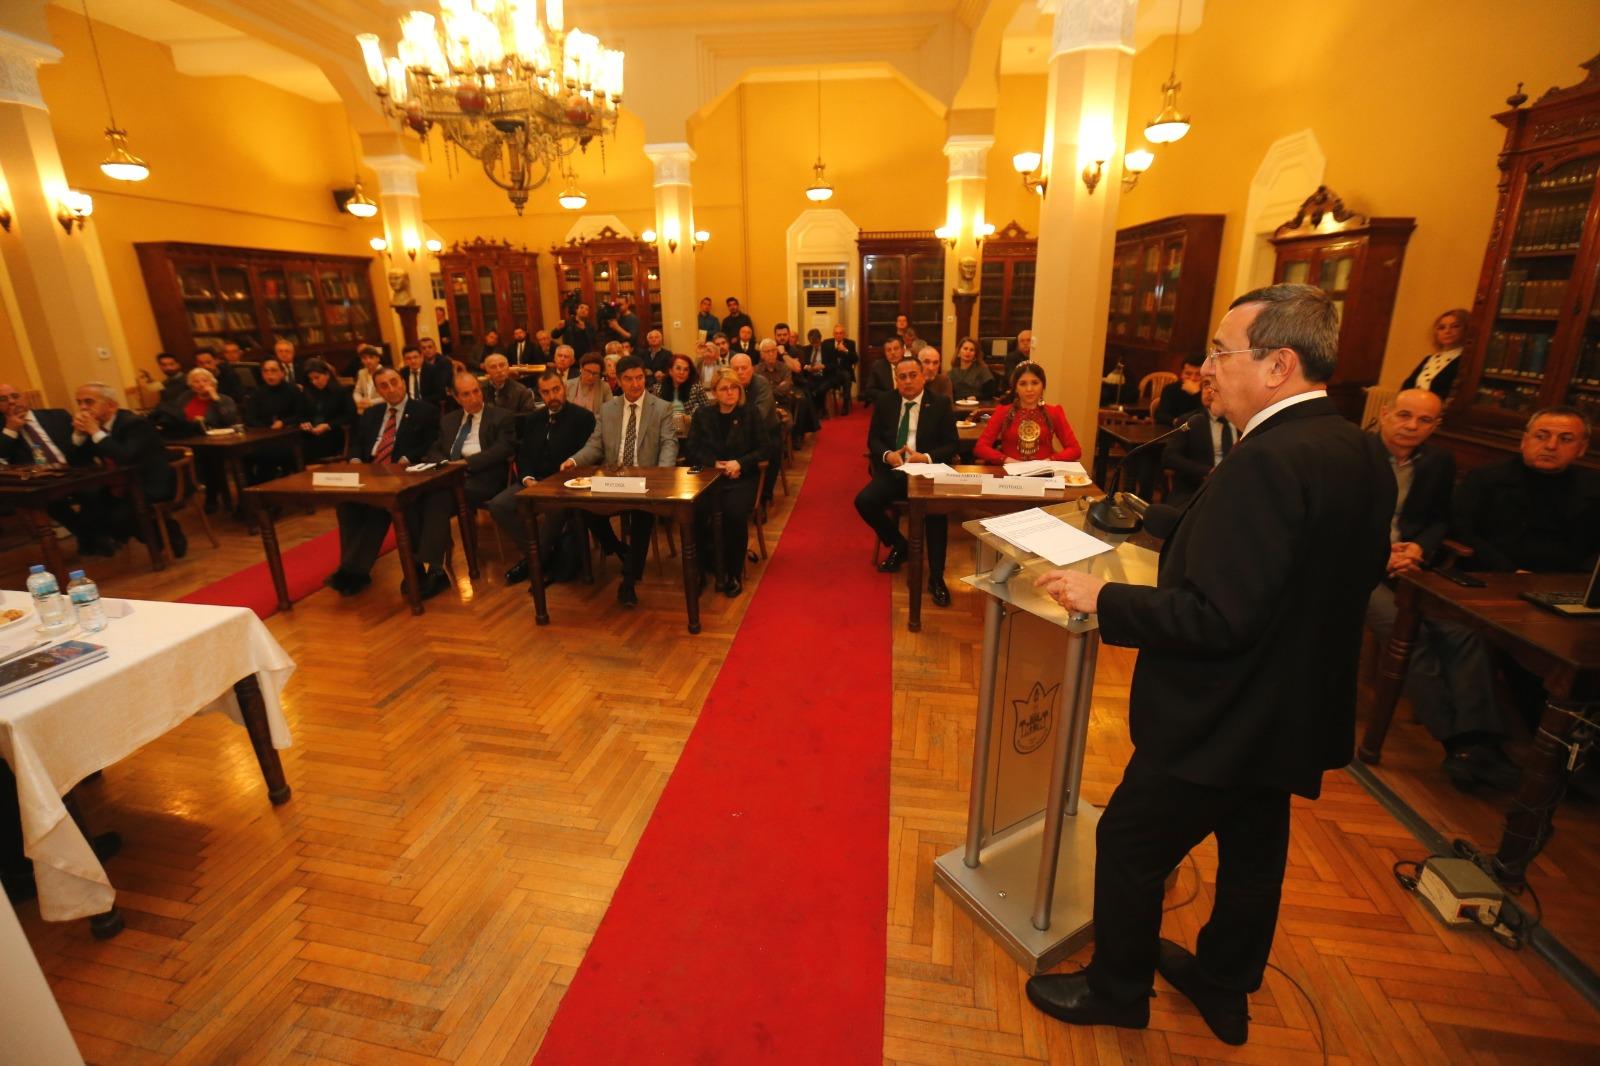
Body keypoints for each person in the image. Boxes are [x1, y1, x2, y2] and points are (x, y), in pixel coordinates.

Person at [1025, 284, 1393, 1047]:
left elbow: (1219, 616)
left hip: (1223, 713)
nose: (1207, 368)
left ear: (1279, 365)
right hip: (1294, 706)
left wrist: (1103, 598)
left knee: (1130, 844)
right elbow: (1287, 566)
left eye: (1223, 352)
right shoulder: (1354, 445)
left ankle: (1117, 989)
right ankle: (1224, 984)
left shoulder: (1266, 460)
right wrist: (1157, 521)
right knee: (1254, 853)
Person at [1363, 390, 1517, 792]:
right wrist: (1379, 554)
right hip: (1355, 569)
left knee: (1462, 632)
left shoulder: (1438, 461)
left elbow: (1438, 520)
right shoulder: (1353, 453)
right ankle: (1457, 742)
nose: (1411, 426)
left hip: (1411, 566)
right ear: (1385, 414)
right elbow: (1331, 519)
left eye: (1424, 420)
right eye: (1404, 415)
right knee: (1406, 631)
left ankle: (1479, 738)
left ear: (1436, 426)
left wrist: (1419, 547)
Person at [561, 356, 678, 606]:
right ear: (618, 381)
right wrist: (573, 460)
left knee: (642, 518)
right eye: (629, 379)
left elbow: (669, 444)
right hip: (613, 477)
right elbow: (595, 445)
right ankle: (617, 547)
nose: (635, 384)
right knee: (583, 508)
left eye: (639, 378)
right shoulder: (608, 409)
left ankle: (628, 581)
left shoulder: (662, 408)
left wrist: (662, 475)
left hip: (645, 480)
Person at [324, 367, 440, 597]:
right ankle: (353, 569)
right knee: (347, 505)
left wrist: (407, 458)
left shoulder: (425, 411)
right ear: (378, 390)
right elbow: (357, 443)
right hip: (369, 474)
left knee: (380, 509)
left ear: (403, 382)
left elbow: (432, 443)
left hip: (401, 477)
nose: (391, 389)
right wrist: (355, 461)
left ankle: (352, 573)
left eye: (394, 382)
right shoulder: (371, 414)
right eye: (384, 386)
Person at [855, 357, 960, 607]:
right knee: (864, 501)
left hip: (926, 473)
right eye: (902, 377)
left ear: (923, 377)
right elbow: (874, 439)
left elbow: (952, 444)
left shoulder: (939, 403)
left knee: (935, 514)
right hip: (896, 471)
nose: (908, 381)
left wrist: (926, 457)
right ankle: (900, 544)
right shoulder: (886, 401)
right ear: (896, 380)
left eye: (913, 375)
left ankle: (936, 578)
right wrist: (887, 455)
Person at [1452, 406, 1600, 574]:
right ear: (1524, 441)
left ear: (1582, 448)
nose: (1551, 446)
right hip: (1495, 574)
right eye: (1541, 436)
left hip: (1566, 580)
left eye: (1565, 439)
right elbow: (1462, 530)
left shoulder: (1594, 488)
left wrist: (1581, 578)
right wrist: (1510, 570)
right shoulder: (1487, 478)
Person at [491, 371, 596, 586]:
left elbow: (586, 458)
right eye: (546, 392)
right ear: (540, 394)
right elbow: (524, 456)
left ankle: (534, 562)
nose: (552, 396)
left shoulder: (583, 418)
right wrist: (527, 479)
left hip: (564, 485)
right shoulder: (533, 419)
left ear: (564, 388)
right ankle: (541, 555)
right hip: (534, 481)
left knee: (555, 509)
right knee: (499, 505)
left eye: (556, 390)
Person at [66, 382, 187, 557]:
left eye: (89, 402)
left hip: (150, 482)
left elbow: (125, 456)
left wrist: (95, 433)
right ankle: (100, 544)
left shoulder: (134, 424)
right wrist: (78, 435)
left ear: (111, 405)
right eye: (79, 403)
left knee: (120, 515)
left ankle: (170, 536)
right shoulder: (94, 428)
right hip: (119, 483)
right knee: (90, 506)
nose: (83, 408)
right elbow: (74, 462)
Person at [686, 370, 767, 597]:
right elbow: (692, 449)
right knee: (694, 512)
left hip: (741, 478)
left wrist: (739, 463)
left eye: (734, 388)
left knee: (733, 513)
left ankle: (733, 572)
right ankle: (701, 568)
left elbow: (765, 448)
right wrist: (713, 463)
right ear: (714, 392)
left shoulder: (750, 413)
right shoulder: (703, 414)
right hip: (710, 478)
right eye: (724, 388)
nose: (730, 392)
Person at [973, 361, 1082, 465]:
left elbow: (1075, 450)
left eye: (1035, 383)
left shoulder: (1054, 412)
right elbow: (980, 447)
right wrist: (1007, 460)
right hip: (1011, 472)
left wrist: (1049, 461)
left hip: (1044, 472)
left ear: (1043, 386)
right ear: (1015, 388)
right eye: (1023, 384)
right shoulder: (1003, 412)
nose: (1029, 389)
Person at [1160, 377, 1231, 506]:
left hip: (1232, 488)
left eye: (1215, 386)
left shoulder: (1241, 421)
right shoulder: (1189, 421)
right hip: (1196, 489)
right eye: (1205, 385)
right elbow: (1169, 457)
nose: (1209, 391)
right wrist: (1206, 471)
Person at [244, 357, 307, 481]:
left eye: (273, 370)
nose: (269, 375)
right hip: (264, 436)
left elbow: (302, 414)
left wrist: (283, 422)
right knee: (246, 456)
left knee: (272, 453)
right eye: (266, 371)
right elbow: (250, 418)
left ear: (282, 373)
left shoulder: (293, 390)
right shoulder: (257, 393)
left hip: (288, 435)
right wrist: (266, 428)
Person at [1399, 308, 1470, 399]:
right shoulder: (1429, 358)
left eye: (1455, 326)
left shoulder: (1466, 360)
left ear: (1466, 329)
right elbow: (1408, 385)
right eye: (1442, 328)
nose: (1447, 331)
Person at [298, 357, 356, 463]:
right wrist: (304, 423)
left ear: (327, 375)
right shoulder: (307, 392)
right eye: (311, 379)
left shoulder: (341, 391)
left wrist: (328, 425)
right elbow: (301, 414)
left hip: (333, 431)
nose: (314, 382)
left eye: (317, 377)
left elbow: (350, 415)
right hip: (310, 433)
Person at [656, 352, 708, 438]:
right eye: (678, 368)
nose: (682, 372)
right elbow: (655, 415)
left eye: (686, 370)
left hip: (692, 433)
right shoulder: (659, 389)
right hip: (666, 434)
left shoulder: (696, 387)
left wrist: (691, 417)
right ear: (670, 371)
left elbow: (707, 410)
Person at [1154, 352, 1207, 425]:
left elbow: (1208, 416)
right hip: (1173, 429)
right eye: (1188, 374)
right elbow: (1161, 415)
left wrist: (1196, 394)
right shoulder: (1170, 389)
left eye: (1198, 374)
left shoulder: (1209, 391)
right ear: (1181, 374)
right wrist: (1178, 422)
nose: (1192, 378)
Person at [822, 324, 860, 414]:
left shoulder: (850, 343)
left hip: (845, 371)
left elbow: (855, 359)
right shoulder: (827, 343)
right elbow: (824, 360)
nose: (838, 335)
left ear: (844, 334)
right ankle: (822, 407)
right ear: (833, 334)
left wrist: (845, 350)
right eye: (836, 333)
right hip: (831, 372)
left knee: (846, 377)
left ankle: (845, 405)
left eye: (840, 333)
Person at [861, 336, 905, 409]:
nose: (892, 352)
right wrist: (888, 396)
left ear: (903, 350)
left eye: (896, 349)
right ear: (885, 353)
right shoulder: (878, 366)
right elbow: (869, 390)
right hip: (887, 403)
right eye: (888, 350)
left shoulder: (912, 364)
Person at [947, 337, 995, 403]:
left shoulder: (982, 370)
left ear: (975, 355)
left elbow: (990, 393)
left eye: (971, 350)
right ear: (959, 352)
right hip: (957, 405)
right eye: (965, 349)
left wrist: (977, 398)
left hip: (978, 404)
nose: (968, 352)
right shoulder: (952, 372)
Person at [567, 353, 609, 417]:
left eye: (595, 373)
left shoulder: (604, 387)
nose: (591, 376)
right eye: (588, 371)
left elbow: (610, 410)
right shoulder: (568, 385)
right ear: (581, 368)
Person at [352, 345, 386, 413]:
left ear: (378, 359)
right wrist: (360, 401)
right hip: (365, 409)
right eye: (364, 358)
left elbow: (388, 395)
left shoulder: (385, 372)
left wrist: (371, 402)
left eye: (371, 357)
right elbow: (357, 391)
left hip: (382, 408)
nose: (368, 361)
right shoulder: (361, 373)